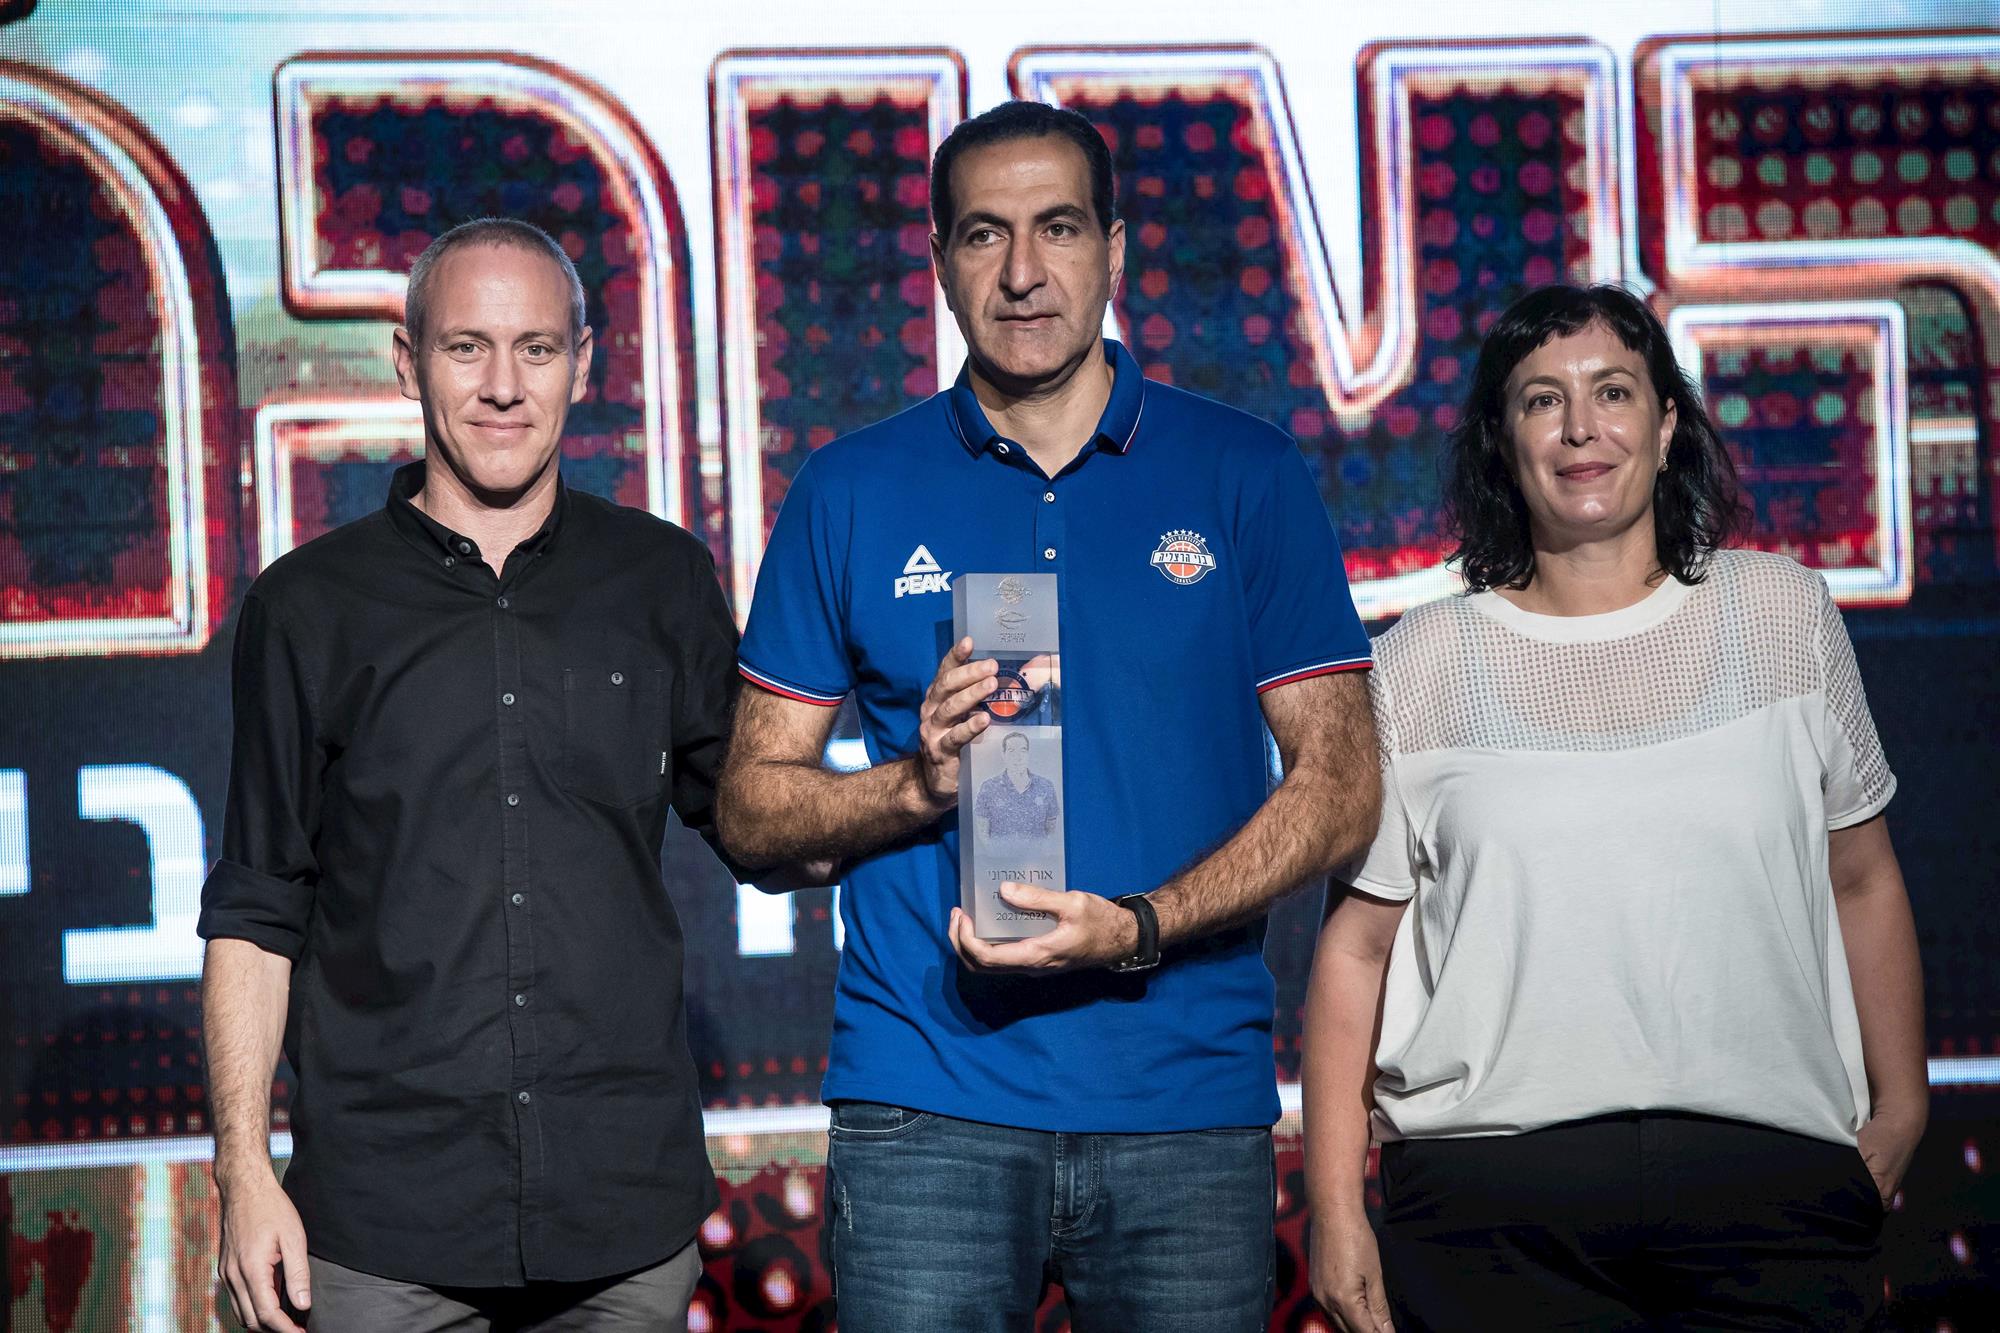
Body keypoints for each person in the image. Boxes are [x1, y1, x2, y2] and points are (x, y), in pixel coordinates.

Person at [716, 100, 1381, 1331]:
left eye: (1058, 228)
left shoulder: (1241, 472)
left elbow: (1340, 787)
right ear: (938, 261)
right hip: (925, 1101)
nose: (1022, 272)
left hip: (1183, 1102)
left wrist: (1139, 926)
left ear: (1112, 249)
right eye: (984, 234)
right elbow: (751, 814)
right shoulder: (849, 488)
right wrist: (915, 783)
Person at [1302, 283, 1927, 1332]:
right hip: (1495, 1213)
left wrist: (1902, 1105)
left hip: (1768, 1196)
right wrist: (1334, 1208)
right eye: (1543, 399)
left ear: (1667, 422)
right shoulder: (1420, 662)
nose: (1581, 428)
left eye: (1613, 391)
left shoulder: (1782, 613)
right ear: (1502, 442)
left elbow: (1861, 877)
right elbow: (1356, 949)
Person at [198, 218, 743, 1332]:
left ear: (582, 363)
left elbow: (766, 825)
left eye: (536, 348)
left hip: (621, 1216)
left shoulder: (663, 580)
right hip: (383, 1226)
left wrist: (915, 775)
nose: (503, 386)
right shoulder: (307, 606)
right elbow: (256, 908)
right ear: (408, 363)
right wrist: (242, 1172)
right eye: (466, 347)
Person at [975, 731, 1060, 841]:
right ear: (1003, 755)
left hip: (1037, 852)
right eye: (1011, 751)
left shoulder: (1046, 787)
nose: (1018, 757)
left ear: (1028, 754)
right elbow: (983, 833)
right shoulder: (988, 788)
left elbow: (1052, 832)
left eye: (1023, 751)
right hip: (1000, 852)